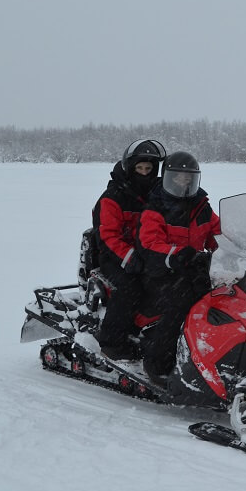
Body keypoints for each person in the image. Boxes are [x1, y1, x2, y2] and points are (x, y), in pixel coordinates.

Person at [136, 151, 221, 385]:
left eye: (188, 178)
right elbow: (150, 244)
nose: (184, 182)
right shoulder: (156, 208)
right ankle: (158, 365)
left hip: (193, 270)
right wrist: (178, 254)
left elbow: (218, 234)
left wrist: (241, 245)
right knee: (181, 306)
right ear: (168, 178)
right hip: (160, 272)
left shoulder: (201, 207)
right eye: (179, 177)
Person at [91, 139, 166, 360]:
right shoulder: (113, 197)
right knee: (130, 287)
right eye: (139, 168)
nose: (144, 173)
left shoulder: (158, 193)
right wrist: (130, 257)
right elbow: (108, 236)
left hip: (150, 253)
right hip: (115, 257)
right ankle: (112, 342)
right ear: (129, 168)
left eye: (149, 169)